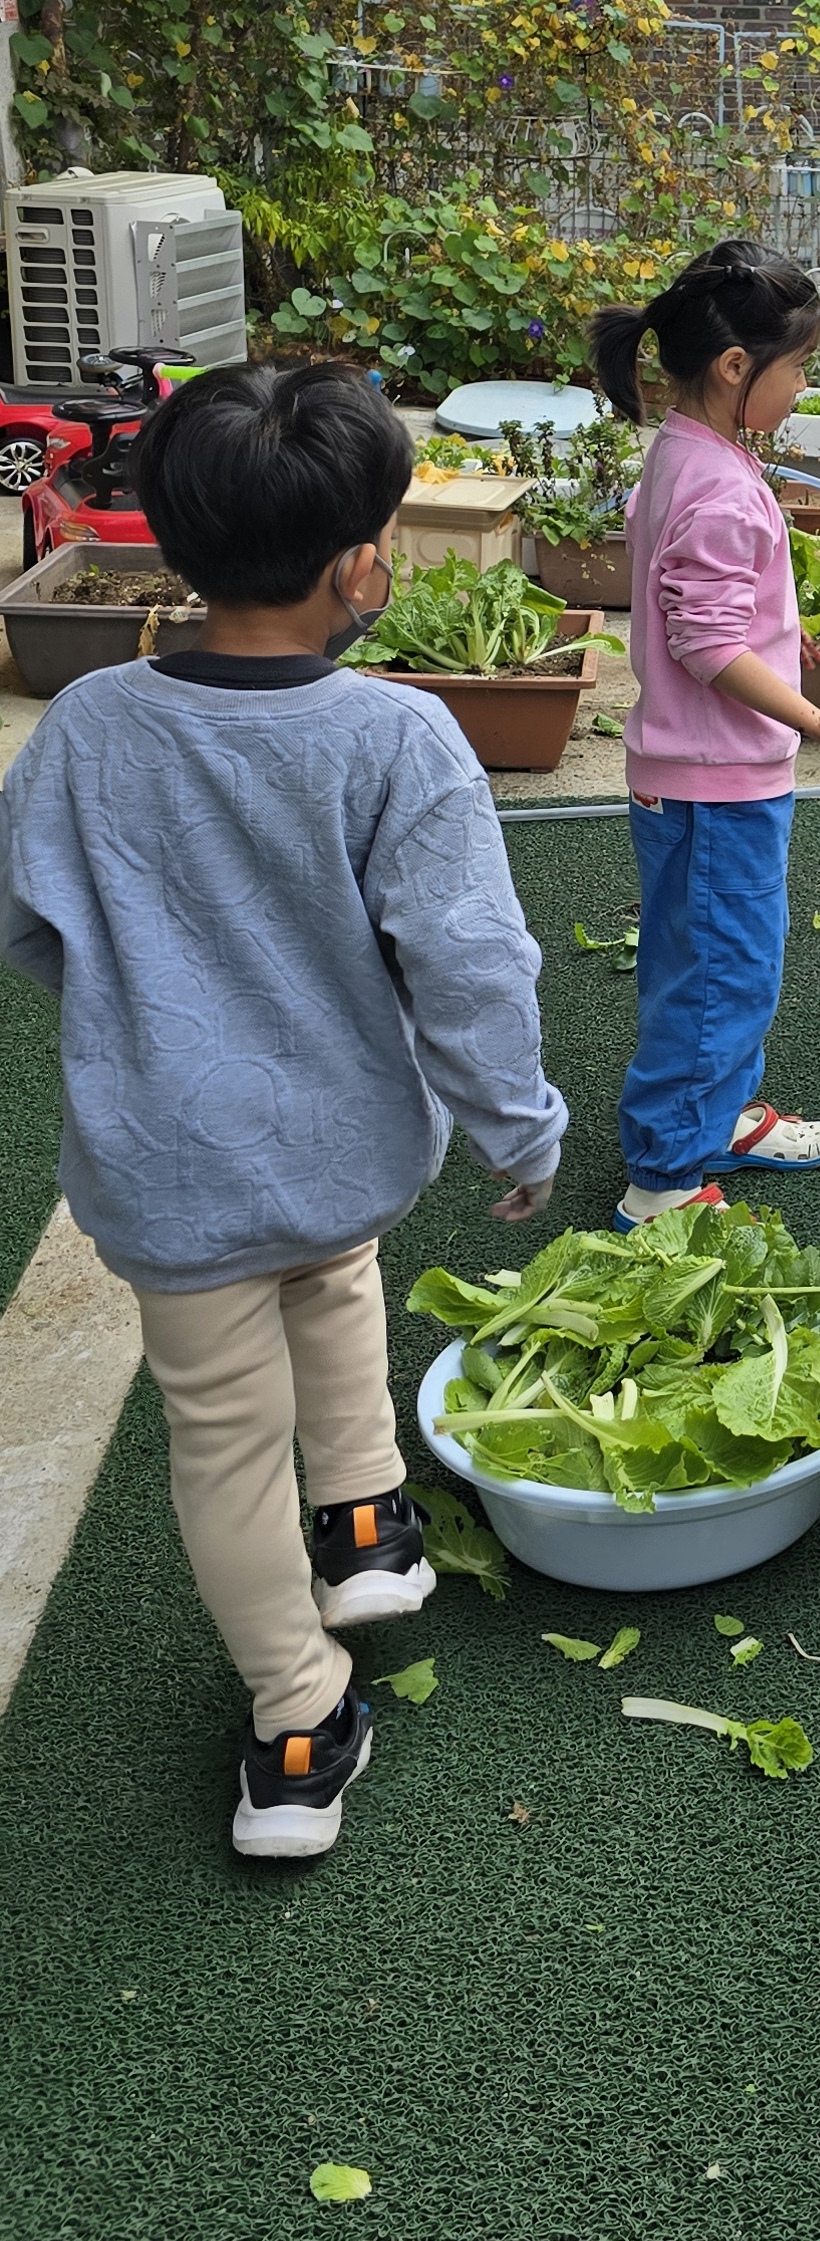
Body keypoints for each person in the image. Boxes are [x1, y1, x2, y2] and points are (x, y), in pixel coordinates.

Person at [0, 362, 566, 1858]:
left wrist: (141, 1024)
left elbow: (33, 924)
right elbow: (467, 963)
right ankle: (367, 1530)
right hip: (343, 1143)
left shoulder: (85, 727)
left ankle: (297, 1721)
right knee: (334, 1268)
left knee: (221, 1438)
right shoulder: (397, 739)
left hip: (167, 1166)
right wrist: (518, 1126)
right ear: (358, 566)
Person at [594, 240, 820, 1227]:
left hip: (694, 775)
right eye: (798, 367)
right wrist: (819, 717)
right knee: (722, 973)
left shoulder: (689, 450)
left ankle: (714, 1117)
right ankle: (664, 1178)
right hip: (719, 782)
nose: (803, 386)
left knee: (710, 964)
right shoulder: (714, 486)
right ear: (735, 367)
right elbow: (709, 644)